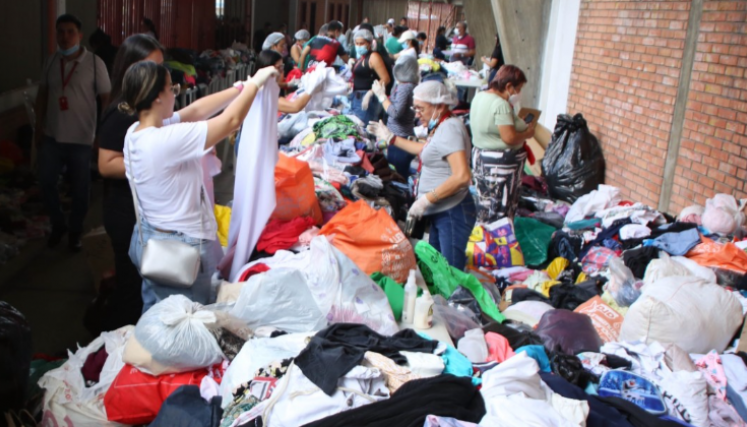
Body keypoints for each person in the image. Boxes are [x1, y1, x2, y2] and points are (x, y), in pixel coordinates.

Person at [120, 61, 279, 310]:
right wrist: (256, 83)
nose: (176, 93)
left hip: (151, 241)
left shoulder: (135, 133)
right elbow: (231, 120)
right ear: (158, 97)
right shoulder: (165, 140)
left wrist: (241, 87)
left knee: (155, 313)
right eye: (171, 89)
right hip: (183, 251)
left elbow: (194, 111)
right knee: (188, 321)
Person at [367, 81, 474, 270]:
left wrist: (425, 200)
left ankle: (454, 301)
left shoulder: (450, 128)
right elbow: (426, 150)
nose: (416, 114)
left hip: (452, 212)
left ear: (439, 106)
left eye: (420, 109)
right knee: (439, 271)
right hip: (442, 211)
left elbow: (462, 176)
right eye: (414, 108)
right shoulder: (441, 126)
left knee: (451, 274)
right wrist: (391, 138)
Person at [96, 34, 163, 330]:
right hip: (125, 213)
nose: (159, 75)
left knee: (140, 283)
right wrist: (150, 161)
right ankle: (119, 341)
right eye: (151, 66)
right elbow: (106, 164)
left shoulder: (145, 104)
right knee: (131, 287)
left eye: (162, 67)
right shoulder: (122, 110)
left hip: (141, 209)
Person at [35, 14, 112, 251]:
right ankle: (58, 225)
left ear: (79, 35)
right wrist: (39, 126)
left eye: (70, 32)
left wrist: (101, 132)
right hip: (53, 136)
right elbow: (43, 95)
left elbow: (106, 100)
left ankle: (75, 231)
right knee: (46, 181)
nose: (65, 37)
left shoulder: (94, 63)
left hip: (82, 138)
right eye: (60, 32)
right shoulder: (51, 61)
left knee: (81, 189)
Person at [469, 65, 534, 223]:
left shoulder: (480, 96)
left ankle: (484, 242)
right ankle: (498, 244)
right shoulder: (500, 105)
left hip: (481, 158)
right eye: (518, 89)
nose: (518, 94)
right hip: (500, 166)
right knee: (500, 210)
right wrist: (527, 134)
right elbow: (509, 138)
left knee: (486, 206)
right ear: (508, 86)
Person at [371, 55, 419, 178]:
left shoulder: (405, 87)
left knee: (398, 175)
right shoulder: (405, 85)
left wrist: (382, 97)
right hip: (399, 134)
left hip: (400, 136)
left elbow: (395, 113)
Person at [349, 29, 390, 125]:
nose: (358, 46)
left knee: (365, 126)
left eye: (361, 43)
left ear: (369, 43)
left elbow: (386, 79)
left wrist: (371, 93)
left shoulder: (373, 56)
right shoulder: (361, 58)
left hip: (368, 98)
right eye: (357, 43)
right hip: (357, 97)